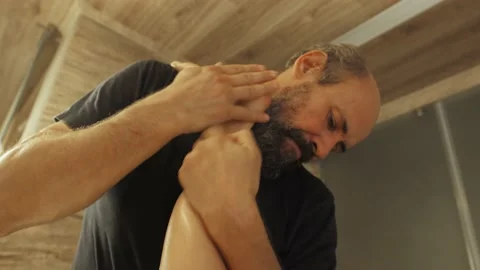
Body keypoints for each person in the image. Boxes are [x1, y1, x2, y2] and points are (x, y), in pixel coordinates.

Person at [0, 43, 380, 269]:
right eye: (333, 122)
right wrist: (168, 110)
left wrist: (234, 214)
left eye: (339, 148)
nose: (324, 150)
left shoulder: (312, 207)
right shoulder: (153, 85)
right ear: (310, 66)